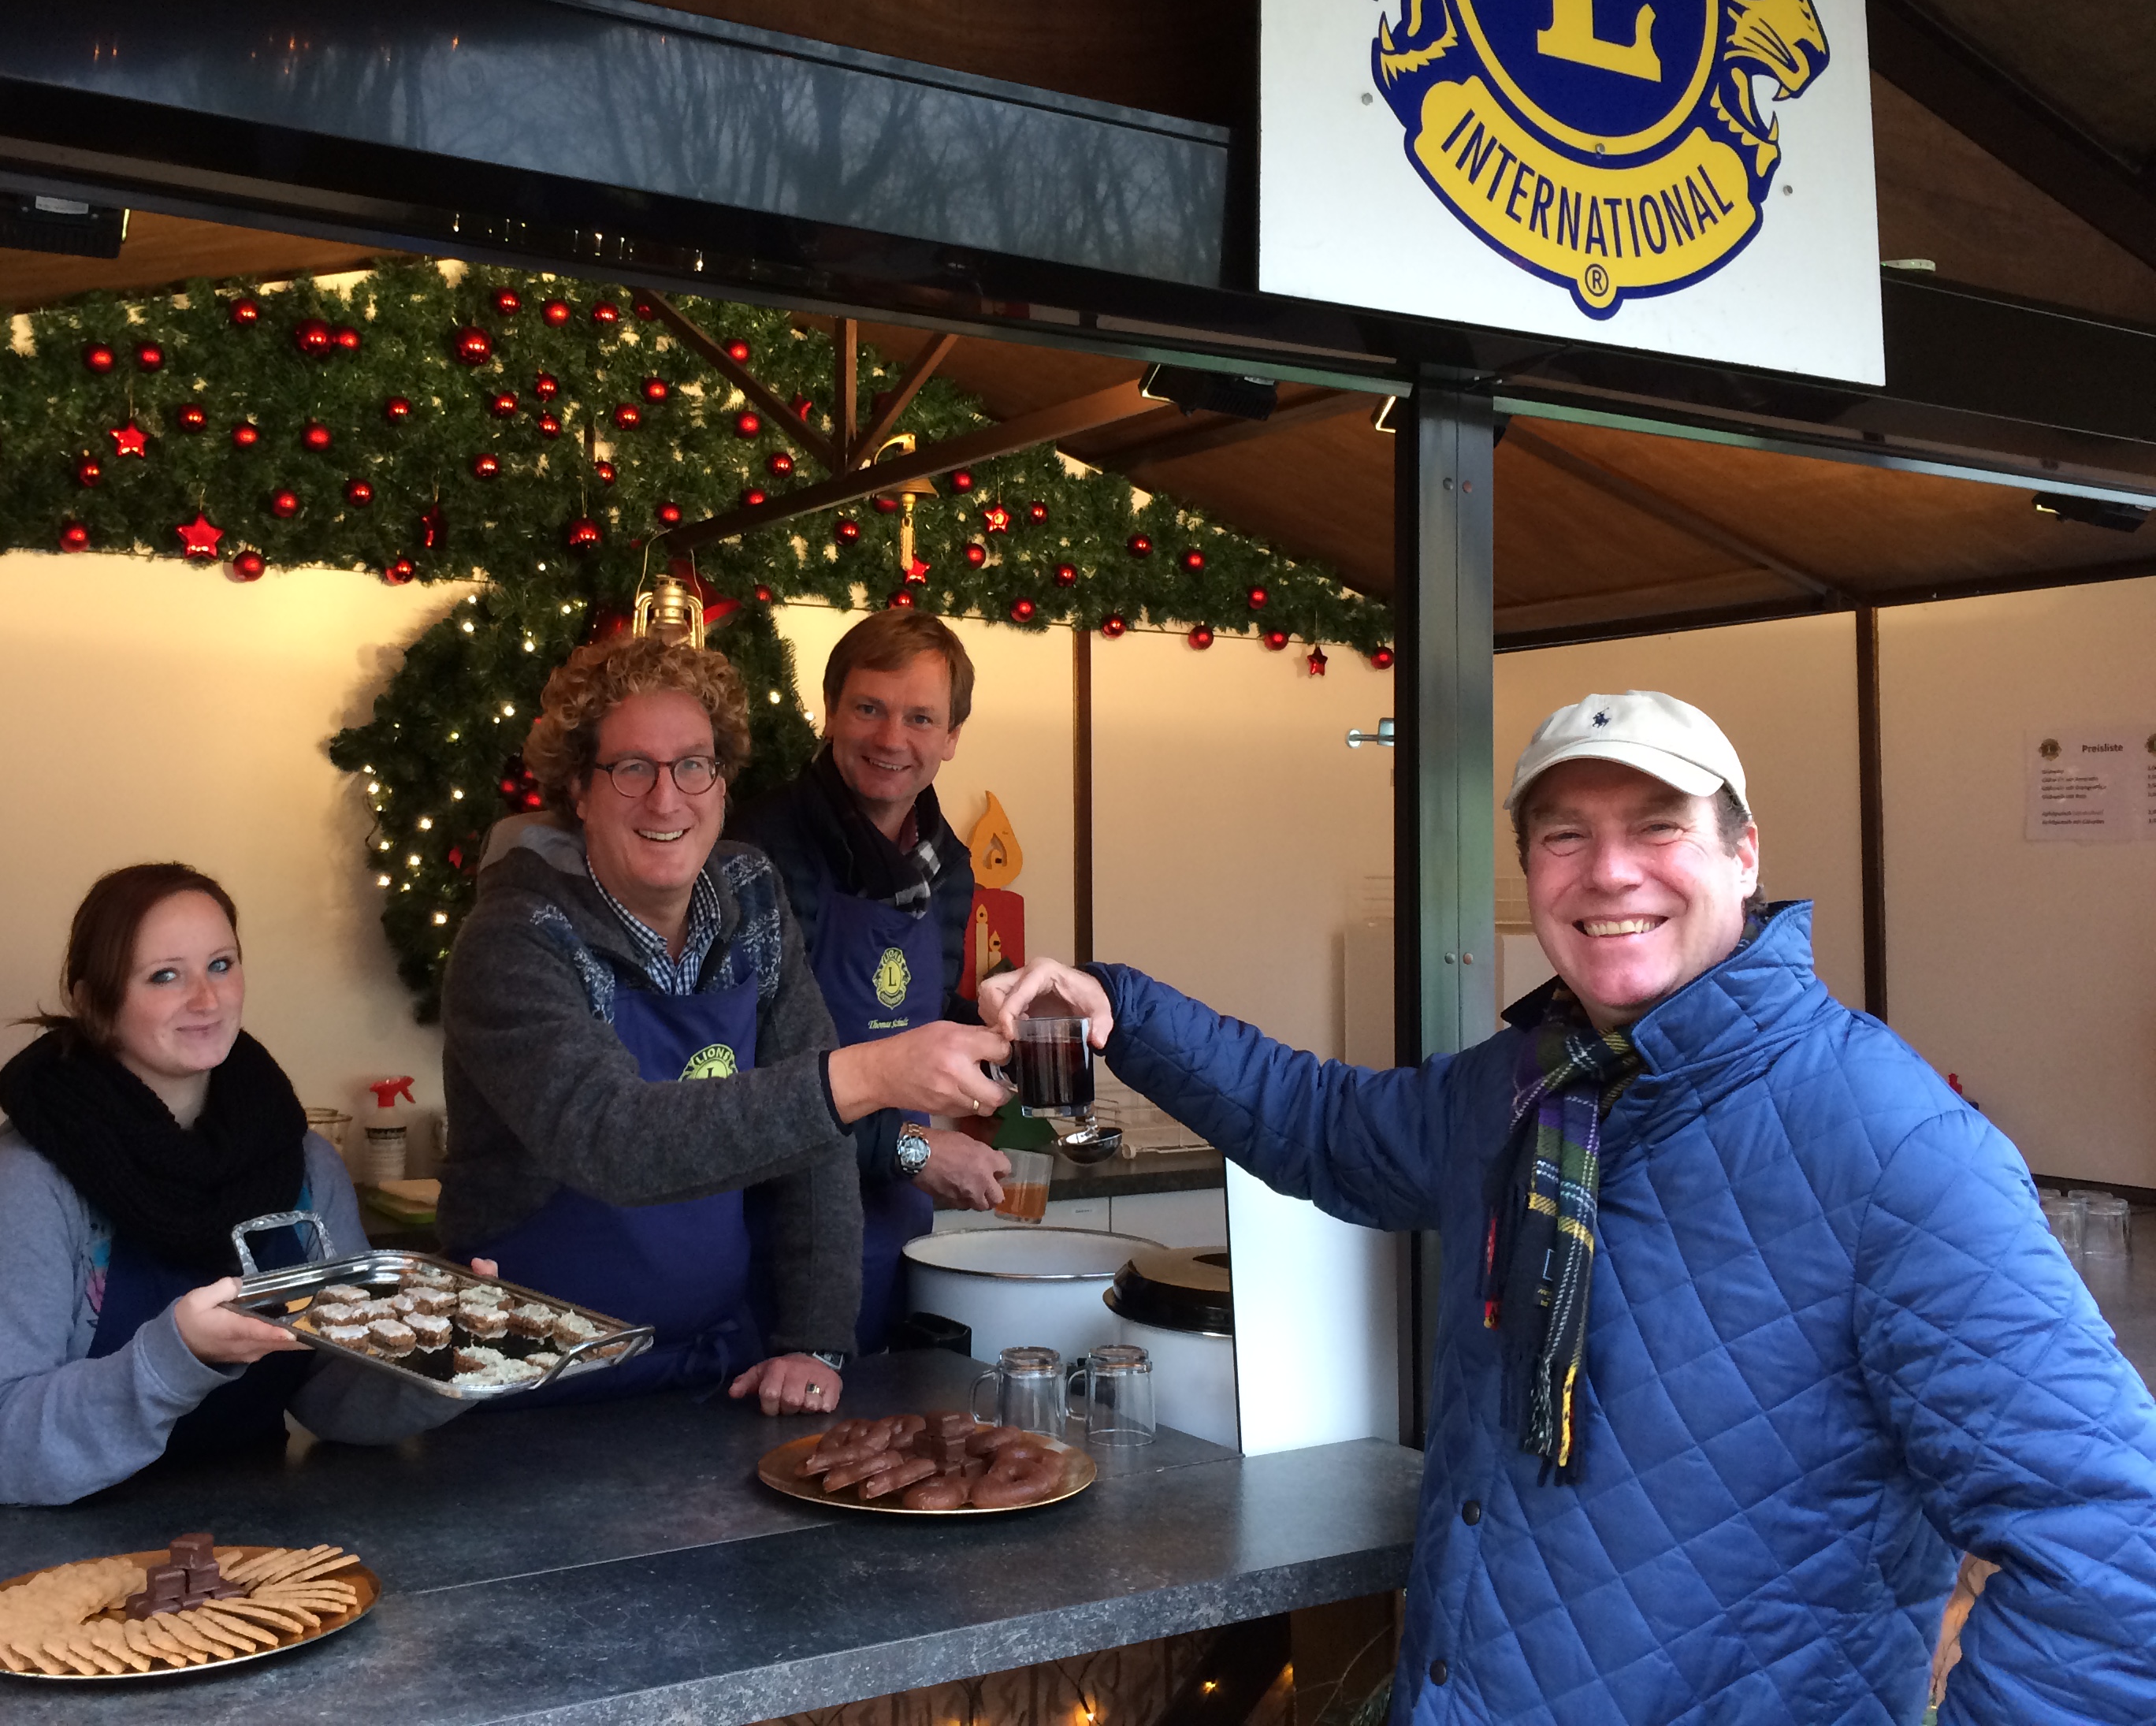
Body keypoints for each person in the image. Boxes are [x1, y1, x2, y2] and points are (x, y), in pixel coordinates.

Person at [983, 692, 2156, 1722]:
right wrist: (1119, 1013)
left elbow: (2114, 1560)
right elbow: (1329, 1130)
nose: (1609, 871)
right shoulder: (1526, 1085)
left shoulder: (1895, 1148)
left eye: (1659, 828)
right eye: (1564, 838)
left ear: (1745, 856)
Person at [437, 632, 1008, 1416]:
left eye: (693, 766)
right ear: (579, 787)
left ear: (721, 777)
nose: (667, 799)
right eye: (631, 767)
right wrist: (869, 1075)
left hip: (709, 1375)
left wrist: (813, 1338)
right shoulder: (516, 939)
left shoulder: (749, 900)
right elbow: (614, 1140)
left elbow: (815, 1146)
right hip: (535, 1389)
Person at [0, 863, 459, 1506]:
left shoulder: (301, 1163)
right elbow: (2, 1450)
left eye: (221, 965)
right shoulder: (28, 1183)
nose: (206, 1000)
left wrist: (444, 1362)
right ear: (92, 1003)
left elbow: (328, 1393)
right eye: (165, 976)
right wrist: (173, 1357)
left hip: (256, 1542)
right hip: (58, 1558)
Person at [729, 611, 1012, 1351]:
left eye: (921, 718)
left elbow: (909, 1013)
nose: (892, 740)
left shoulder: (949, 868)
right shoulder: (756, 856)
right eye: (869, 709)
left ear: (951, 738)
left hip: (894, 1239)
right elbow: (743, 1085)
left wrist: (1004, 1032)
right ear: (830, 712)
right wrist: (916, 1151)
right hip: (765, 1253)